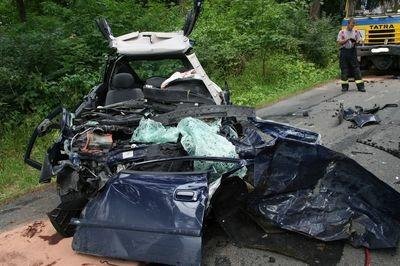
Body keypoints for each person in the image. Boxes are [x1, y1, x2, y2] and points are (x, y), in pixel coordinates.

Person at [337, 18, 365, 92]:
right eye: (351, 25)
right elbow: (339, 42)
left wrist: (357, 41)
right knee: (344, 69)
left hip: (352, 51)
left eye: (353, 25)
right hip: (344, 51)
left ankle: (361, 87)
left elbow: (360, 40)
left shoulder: (356, 32)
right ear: (348, 24)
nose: (352, 27)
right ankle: (344, 87)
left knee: (356, 69)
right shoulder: (342, 32)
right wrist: (346, 40)